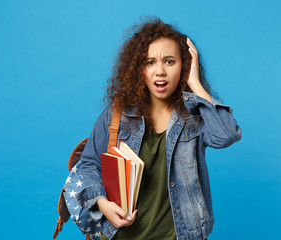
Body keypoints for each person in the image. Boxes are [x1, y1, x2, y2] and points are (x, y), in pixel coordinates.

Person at [71, 18, 242, 240]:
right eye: (150, 62)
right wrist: (103, 205)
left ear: (184, 65)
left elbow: (226, 135)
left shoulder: (194, 116)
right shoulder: (118, 113)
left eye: (169, 62)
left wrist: (196, 84)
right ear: (139, 68)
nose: (159, 71)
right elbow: (89, 163)